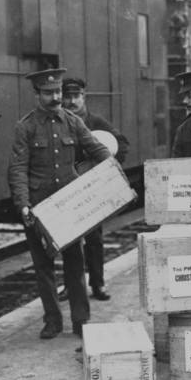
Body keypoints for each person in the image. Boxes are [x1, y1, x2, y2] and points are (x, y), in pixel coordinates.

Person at [7, 69, 111, 340]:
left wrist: (112, 173)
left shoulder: (73, 122)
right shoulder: (26, 127)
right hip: (39, 207)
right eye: (48, 93)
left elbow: (96, 149)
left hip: (69, 207)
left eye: (58, 92)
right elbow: (18, 168)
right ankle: (52, 321)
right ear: (37, 94)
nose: (55, 98)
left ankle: (80, 321)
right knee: (43, 267)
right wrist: (23, 204)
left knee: (75, 264)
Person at [61, 77, 130, 301]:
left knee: (94, 239)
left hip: (91, 189)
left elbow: (122, 144)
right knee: (69, 240)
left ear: (84, 97)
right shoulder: (59, 122)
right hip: (68, 187)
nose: (71, 101)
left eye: (76, 96)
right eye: (67, 97)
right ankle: (71, 286)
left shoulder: (96, 122)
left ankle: (98, 284)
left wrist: (105, 169)